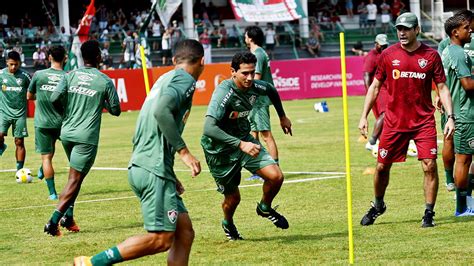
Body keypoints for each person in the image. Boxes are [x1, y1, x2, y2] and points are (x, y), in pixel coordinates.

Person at [73, 39, 204, 266]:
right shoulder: (185, 79)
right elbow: (161, 112)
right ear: (202, 61)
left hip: (146, 165)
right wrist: (184, 152)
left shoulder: (164, 79)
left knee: (184, 233)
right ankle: (92, 263)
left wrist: (169, 174)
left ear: (174, 61)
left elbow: (147, 129)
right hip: (152, 169)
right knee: (160, 239)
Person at [358, 12, 455, 228]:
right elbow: (375, 87)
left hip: (423, 122)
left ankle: (429, 213)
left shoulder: (431, 56)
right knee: (382, 167)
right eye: (399, 28)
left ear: (416, 30)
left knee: (429, 165)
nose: (401, 32)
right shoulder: (388, 55)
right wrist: (364, 116)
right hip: (394, 122)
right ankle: (378, 205)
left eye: (406, 28)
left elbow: (441, 87)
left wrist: (450, 116)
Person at [201, 51, 292, 240]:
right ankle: (228, 223)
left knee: (276, 176)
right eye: (245, 73)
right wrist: (239, 144)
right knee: (233, 198)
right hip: (219, 150)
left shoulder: (255, 86)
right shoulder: (223, 93)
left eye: (252, 72)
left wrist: (282, 116)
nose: (250, 78)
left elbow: (271, 90)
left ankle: (264, 208)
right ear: (233, 72)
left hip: (244, 140)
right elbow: (209, 128)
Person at [43, 40, 121, 236]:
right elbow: (116, 110)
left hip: (67, 133)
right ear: (99, 57)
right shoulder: (104, 81)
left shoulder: (71, 75)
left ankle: (68, 217)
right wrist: (99, 99)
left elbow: (54, 98)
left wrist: (68, 108)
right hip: (86, 136)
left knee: (75, 177)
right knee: (74, 179)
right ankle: (53, 222)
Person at [440, 11, 474, 216]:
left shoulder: (449, 50)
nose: (470, 30)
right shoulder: (459, 53)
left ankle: (466, 202)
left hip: (462, 111)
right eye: (466, 28)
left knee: (466, 159)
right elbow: (467, 84)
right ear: (455, 32)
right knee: (464, 160)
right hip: (464, 113)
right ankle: (461, 207)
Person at [26, 45, 67, 200]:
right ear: (65, 58)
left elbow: (29, 96)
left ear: (49, 57)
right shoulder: (68, 76)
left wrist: (43, 98)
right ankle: (43, 169)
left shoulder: (39, 75)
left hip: (43, 122)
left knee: (46, 158)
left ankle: (52, 193)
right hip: (62, 123)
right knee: (53, 149)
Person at [244, 26, 281, 181]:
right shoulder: (256, 53)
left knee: (266, 134)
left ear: (250, 38)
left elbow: (256, 78)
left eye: (245, 35)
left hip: (259, 100)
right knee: (253, 135)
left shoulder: (258, 54)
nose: (244, 37)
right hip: (253, 101)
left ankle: (275, 167)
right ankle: (258, 169)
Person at [0, 51, 31, 169]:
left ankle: (19, 170)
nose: (14, 67)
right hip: (3, 112)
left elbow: (33, 89)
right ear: (7, 62)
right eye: (11, 64)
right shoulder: (1, 74)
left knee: (19, 142)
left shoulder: (25, 76)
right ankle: (2, 145)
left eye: (16, 64)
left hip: (19, 114)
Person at [363, 34, 389, 152]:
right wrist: (370, 93)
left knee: (389, 117)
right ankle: (372, 141)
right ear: (376, 43)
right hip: (379, 91)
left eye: (385, 45)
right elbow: (367, 75)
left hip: (387, 90)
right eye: (381, 45)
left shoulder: (385, 54)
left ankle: (381, 144)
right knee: (385, 114)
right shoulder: (371, 56)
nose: (383, 47)